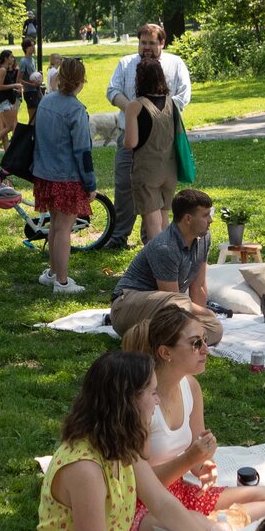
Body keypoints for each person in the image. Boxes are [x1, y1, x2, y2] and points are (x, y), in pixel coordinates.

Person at [33, 351, 216, 531]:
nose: (157, 401)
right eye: (152, 393)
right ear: (128, 402)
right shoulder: (85, 469)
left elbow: (163, 504)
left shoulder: (121, 445)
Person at [122, 298, 265, 525]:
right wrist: (190, 459)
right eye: (195, 343)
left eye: (205, 341)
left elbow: (196, 456)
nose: (205, 350)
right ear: (165, 352)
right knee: (195, 525)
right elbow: (140, 486)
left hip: (178, 493)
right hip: (143, 506)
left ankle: (215, 529)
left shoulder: (190, 387)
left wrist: (203, 465)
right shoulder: (141, 401)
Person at [100, 24, 191, 247]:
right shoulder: (126, 63)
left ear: (162, 43)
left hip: (160, 139)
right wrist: (132, 106)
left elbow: (183, 95)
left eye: (151, 43)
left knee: (157, 192)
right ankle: (120, 235)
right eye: (143, 43)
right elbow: (112, 91)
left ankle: (149, 240)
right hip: (128, 133)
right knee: (124, 185)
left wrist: (155, 113)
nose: (146, 47)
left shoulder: (175, 63)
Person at [108, 187, 222, 348]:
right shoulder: (165, 247)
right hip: (126, 305)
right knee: (180, 303)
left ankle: (165, 340)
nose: (210, 220)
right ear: (188, 219)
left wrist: (202, 320)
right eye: (205, 215)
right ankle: (167, 339)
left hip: (166, 309)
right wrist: (206, 313)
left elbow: (199, 286)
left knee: (215, 329)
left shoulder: (204, 238)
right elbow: (172, 298)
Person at [29, 55, 96, 295]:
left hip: (44, 173)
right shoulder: (76, 110)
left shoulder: (46, 101)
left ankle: (53, 273)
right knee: (64, 229)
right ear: (81, 81)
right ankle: (63, 282)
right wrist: (90, 184)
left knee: (56, 225)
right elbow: (82, 151)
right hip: (66, 177)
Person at [119, 59, 184, 240]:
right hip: (170, 169)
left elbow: (131, 142)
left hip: (147, 170)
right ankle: (169, 256)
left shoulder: (135, 106)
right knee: (164, 217)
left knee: (152, 221)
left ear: (139, 79)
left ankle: (158, 261)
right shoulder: (172, 103)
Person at [0, 49, 25, 146]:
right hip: (2, 102)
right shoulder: (2, 70)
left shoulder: (5, 70)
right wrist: (14, 85)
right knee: (10, 126)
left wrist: (15, 88)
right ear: (6, 59)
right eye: (11, 57)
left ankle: (4, 149)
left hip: (6, 101)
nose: (13, 59)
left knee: (9, 125)